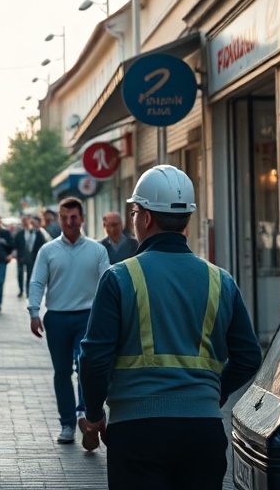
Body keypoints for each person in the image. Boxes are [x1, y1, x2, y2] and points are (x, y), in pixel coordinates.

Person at [79, 165, 262, 489]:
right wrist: (212, 394)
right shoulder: (221, 280)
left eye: (134, 211)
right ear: (187, 220)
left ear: (145, 218)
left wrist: (94, 414)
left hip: (137, 432)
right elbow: (248, 356)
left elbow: (94, 358)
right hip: (202, 430)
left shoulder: (119, 278)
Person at [28, 197, 110, 446]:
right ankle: (67, 424)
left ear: (82, 219)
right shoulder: (48, 250)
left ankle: (86, 415)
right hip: (57, 318)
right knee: (62, 372)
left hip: (88, 317)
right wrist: (34, 311)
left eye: (73, 217)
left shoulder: (97, 250)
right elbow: (37, 281)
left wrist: (110, 317)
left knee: (84, 368)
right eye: (64, 217)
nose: (68, 222)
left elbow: (109, 283)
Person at [14, 214, 49, 298]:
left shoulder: (37, 232)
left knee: (30, 274)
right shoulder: (20, 233)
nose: (25, 222)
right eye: (23, 220)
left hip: (32, 257)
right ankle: (21, 290)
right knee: (20, 273)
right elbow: (16, 244)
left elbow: (43, 242)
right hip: (21, 257)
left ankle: (28, 291)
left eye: (26, 220)